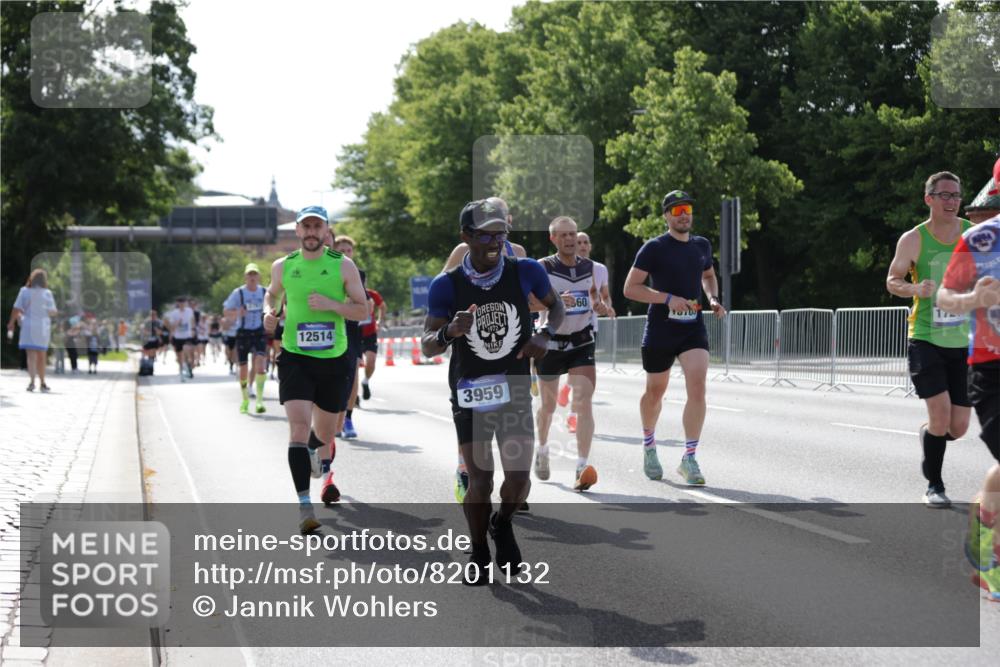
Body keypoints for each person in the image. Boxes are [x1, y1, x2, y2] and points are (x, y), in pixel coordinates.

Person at [422, 198, 564, 585]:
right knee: (481, 480)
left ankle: (501, 525)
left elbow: (556, 307)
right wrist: (450, 331)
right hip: (469, 390)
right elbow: (427, 345)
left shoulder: (526, 271)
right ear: (465, 236)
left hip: (515, 385)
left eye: (500, 233)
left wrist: (545, 334)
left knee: (519, 480)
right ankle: (479, 548)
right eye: (485, 234)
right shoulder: (446, 285)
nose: (495, 241)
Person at [263, 205, 368, 534]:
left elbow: (362, 309)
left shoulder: (343, 266)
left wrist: (333, 305)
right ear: (297, 231)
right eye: (305, 226)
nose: (311, 232)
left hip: (334, 359)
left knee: (323, 435)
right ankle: (305, 506)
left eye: (316, 227)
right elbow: (272, 294)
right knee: (296, 428)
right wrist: (270, 311)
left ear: (326, 231)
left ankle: (314, 451)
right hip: (295, 356)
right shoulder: (283, 266)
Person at [623, 190, 726, 485]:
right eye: (677, 210)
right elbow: (630, 289)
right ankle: (649, 445)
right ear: (667, 215)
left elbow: (708, 275)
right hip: (660, 329)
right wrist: (667, 298)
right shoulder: (654, 248)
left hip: (693, 326)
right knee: (655, 392)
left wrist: (713, 298)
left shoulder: (701, 245)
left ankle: (689, 458)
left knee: (698, 385)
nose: (684, 215)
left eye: (688, 209)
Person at [886, 171, 973, 507]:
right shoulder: (913, 239)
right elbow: (892, 280)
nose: (952, 201)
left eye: (956, 196)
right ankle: (934, 485)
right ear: (929, 199)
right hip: (925, 337)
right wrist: (914, 288)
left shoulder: (972, 234)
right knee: (940, 414)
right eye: (945, 195)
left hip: (963, 340)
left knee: (959, 426)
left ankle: (931, 436)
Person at [936, 157, 1000, 601]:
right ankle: (987, 556)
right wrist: (974, 297)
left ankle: (983, 543)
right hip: (992, 369)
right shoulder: (981, 240)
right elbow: (943, 295)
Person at [441, 196, 527, 503]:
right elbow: (444, 291)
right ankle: (466, 467)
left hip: (507, 351)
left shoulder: (518, 254)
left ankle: (514, 483)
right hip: (471, 350)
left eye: (503, 217)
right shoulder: (463, 251)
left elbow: (525, 300)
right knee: (472, 418)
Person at [533, 216, 610, 491]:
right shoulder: (542, 267)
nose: (570, 240)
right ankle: (541, 449)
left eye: (573, 235)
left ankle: (581, 465)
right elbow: (527, 302)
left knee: (583, 402)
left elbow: (598, 298)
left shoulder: (591, 267)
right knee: (549, 406)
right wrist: (552, 300)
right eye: (563, 235)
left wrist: (601, 307)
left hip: (581, 340)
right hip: (551, 342)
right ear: (553, 238)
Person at [558, 231, 615, 431]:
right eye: (578, 242)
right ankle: (566, 387)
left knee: (581, 376)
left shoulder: (599, 269)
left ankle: (573, 415)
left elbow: (605, 295)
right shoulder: (562, 267)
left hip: (589, 327)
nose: (582, 245)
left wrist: (607, 306)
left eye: (585, 242)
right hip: (564, 328)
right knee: (574, 373)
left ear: (590, 246)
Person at [332, 235, 367, 440]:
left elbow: (360, 303)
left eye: (349, 250)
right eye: (341, 250)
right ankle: (333, 415)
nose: (345, 253)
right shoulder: (326, 272)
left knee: (353, 376)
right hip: (332, 328)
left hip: (351, 330)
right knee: (335, 377)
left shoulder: (358, 274)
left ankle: (348, 417)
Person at [223, 264, 270, 414]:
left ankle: (260, 401)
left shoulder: (264, 292)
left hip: (259, 331)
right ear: (245, 277)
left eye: (255, 274)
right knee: (243, 367)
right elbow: (226, 311)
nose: (252, 277)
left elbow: (273, 307)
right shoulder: (238, 293)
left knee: (261, 364)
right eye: (249, 274)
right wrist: (238, 312)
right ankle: (244, 400)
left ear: (258, 277)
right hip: (243, 332)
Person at [7, 268, 58, 392]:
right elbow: (53, 312)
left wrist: (11, 323)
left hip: (28, 326)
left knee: (31, 356)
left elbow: (16, 308)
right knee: (42, 355)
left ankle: (31, 382)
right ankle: (43, 382)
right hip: (42, 327)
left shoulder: (24, 291)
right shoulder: (47, 293)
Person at [359, 287, 386, 401]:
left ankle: (365, 381)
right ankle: (353, 395)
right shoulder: (346, 294)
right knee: (353, 367)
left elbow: (382, 306)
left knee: (371, 361)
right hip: (353, 334)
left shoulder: (371, 294)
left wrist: (380, 321)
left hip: (370, 334)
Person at [166, 296, 196, 380]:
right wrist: (177, 323)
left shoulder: (189, 311)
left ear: (185, 303)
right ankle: (181, 370)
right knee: (179, 355)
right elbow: (171, 326)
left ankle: (188, 365)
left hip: (187, 335)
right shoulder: (174, 313)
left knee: (186, 350)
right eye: (180, 303)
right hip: (178, 336)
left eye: (184, 303)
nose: (182, 304)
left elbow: (192, 320)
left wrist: (193, 329)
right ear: (178, 304)